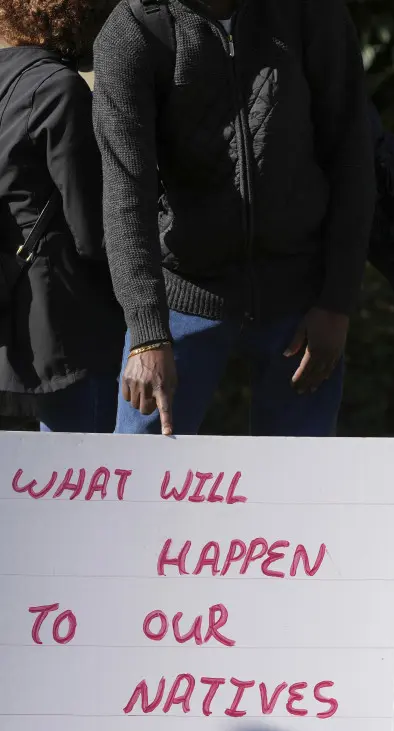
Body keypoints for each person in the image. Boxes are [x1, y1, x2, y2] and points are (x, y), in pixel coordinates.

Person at [92, 0, 374, 437]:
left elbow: (352, 158)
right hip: (181, 295)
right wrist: (147, 332)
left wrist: (337, 301)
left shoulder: (312, 14)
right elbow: (126, 192)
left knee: (300, 489)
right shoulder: (133, 30)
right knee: (140, 479)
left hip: (299, 297)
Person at [0, 0, 122, 432]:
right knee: (85, 485)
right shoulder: (59, 90)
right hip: (67, 326)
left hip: (12, 324)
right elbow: (93, 233)